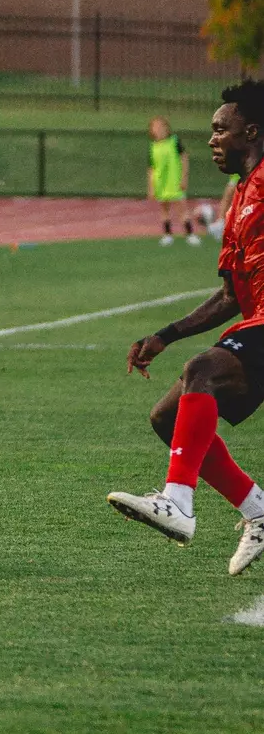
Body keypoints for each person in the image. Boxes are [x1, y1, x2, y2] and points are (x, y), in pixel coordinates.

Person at [108, 79, 264, 576]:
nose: (213, 139)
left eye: (223, 130)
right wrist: (164, 334)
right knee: (166, 418)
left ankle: (177, 502)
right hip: (257, 319)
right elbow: (229, 298)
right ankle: (258, 509)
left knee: (203, 370)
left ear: (252, 131)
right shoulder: (240, 198)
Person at [148, 116, 197, 247]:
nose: (159, 130)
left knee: (182, 208)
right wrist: (151, 187)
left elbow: (184, 159)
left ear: (167, 128)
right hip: (161, 183)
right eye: (155, 128)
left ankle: (190, 234)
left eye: (161, 127)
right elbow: (152, 168)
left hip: (174, 182)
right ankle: (167, 234)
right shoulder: (153, 147)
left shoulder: (174, 142)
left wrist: (184, 177)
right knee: (164, 209)